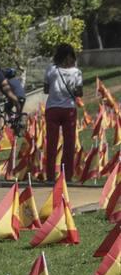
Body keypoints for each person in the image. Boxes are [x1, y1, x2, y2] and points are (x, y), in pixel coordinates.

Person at [43, 43, 85, 182]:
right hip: (69, 110)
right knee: (69, 144)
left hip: (52, 109)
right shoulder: (77, 72)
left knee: (52, 144)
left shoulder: (51, 70)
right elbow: (80, 93)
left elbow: (46, 90)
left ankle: (50, 175)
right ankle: (67, 176)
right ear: (70, 56)